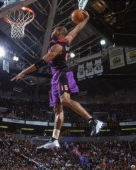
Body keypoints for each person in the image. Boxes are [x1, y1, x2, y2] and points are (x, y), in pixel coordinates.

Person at [11, 10, 105, 149]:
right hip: (55, 78)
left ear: (60, 33)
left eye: (56, 30)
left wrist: (22, 73)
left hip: (62, 74)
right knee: (57, 110)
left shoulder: (56, 46)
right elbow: (77, 29)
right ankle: (54, 139)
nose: (53, 31)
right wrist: (87, 18)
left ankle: (93, 121)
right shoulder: (66, 40)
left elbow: (39, 64)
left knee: (65, 101)